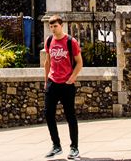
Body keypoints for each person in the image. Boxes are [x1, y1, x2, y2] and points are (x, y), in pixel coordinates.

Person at [40, 16, 82, 161]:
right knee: (48, 113)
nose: (53, 29)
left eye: (55, 26)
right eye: (51, 27)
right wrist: (46, 81)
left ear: (62, 25)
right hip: (52, 82)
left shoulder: (71, 42)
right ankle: (56, 145)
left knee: (70, 115)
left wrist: (72, 78)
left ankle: (74, 147)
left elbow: (79, 63)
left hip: (67, 84)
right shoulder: (49, 41)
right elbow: (47, 62)